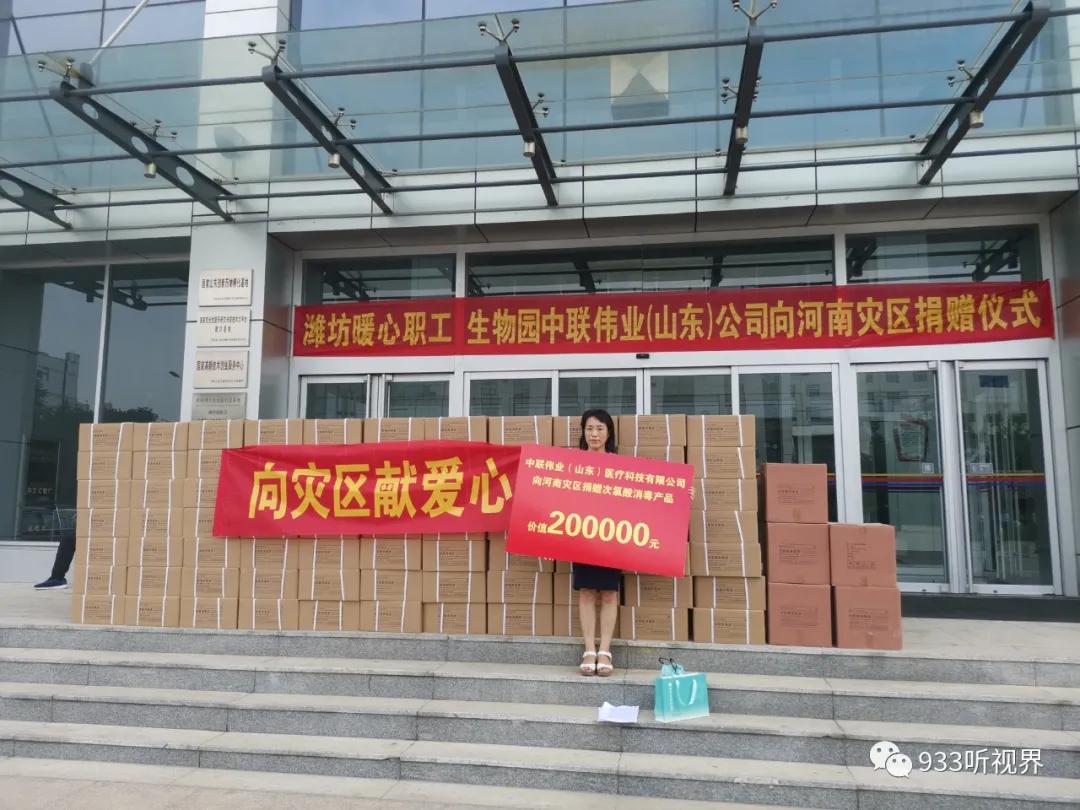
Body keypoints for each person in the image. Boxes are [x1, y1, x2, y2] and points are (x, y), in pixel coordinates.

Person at [573, 408, 620, 677]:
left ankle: (605, 650)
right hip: (581, 535)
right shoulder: (572, 464)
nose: (594, 434)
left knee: (610, 592)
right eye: (589, 428)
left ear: (608, 433)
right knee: (587, 591)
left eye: (600, 428)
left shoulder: (620, 466)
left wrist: (680, 493)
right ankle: (589, 649)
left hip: (612, 537)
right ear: (583, 432)